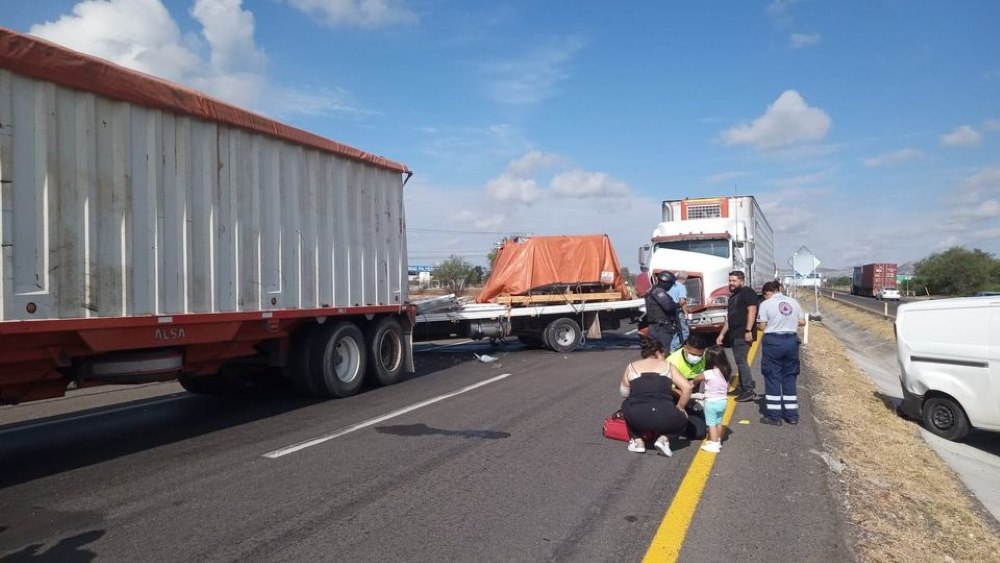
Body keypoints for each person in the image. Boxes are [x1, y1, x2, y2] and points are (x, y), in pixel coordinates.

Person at [619, 337, 693, 456]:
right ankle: (664, 439)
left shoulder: (631, 366)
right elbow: (688, 388)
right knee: (683, 417)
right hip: (665, 415)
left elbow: (624, 393)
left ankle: (638, 441)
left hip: (638, 417)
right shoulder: (668, 366)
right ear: (658, 353)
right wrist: (680, 407)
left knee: (626, 404)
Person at [756, 281, 806, 425]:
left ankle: (774, 416)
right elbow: (802, 321)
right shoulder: (793, 302)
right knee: (789, 377)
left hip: (773, 341)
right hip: (791, 341)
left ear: (767, 293)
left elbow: (762, 326)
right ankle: (792, 416)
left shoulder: (766, 304)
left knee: (772, 377)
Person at [716, 271, 759, 403]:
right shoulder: (733, 297)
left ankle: (748, 389)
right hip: (734, 334)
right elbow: (729, 319)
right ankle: (741, 387)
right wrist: (721, 334)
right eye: (730, 281)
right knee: (738, 361)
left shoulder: (747, 292)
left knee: (741, 361)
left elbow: (752, 310)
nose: (731, 283)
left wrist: (748, 330)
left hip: (743, 333)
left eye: (734, 281)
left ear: (741, 280)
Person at [666, 335, 709, 440]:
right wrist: (689, 396)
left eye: (700, 355)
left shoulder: (704, 358)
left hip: (695, 400)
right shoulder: (672, 361)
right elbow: (669, 389)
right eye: (693, 354)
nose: (696, 358)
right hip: (676, 399)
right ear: (685, 349)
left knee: (700, 433)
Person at [698, 346, 733, 453]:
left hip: (711, 402)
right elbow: (727, 387)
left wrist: (693, 382)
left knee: (711, 423)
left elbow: (696, 378)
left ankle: (713, 444)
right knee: (718, 422)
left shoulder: (708, 373)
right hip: (723, 401)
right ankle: (717, 440)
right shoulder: (726, 372)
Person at [644, 271, 679, 351]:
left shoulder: (656, 290)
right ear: (665, 282)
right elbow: (668, 306)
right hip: (660, 329)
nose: (671, 286)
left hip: (659, 327)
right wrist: (677, 305)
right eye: (671, 283)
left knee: (658, 352)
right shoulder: (658, 291)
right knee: (666, 352)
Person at [668, 271, 690, 352]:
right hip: (678, 312)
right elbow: (682, 301)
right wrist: (686, 313)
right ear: (685, 279)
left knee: (676, 332)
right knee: (685, 332)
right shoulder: (681, 287)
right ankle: (673, 349)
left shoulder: (670, 286)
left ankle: (673, 347)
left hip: (670, 312)